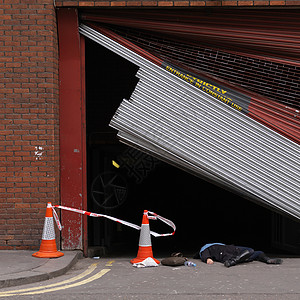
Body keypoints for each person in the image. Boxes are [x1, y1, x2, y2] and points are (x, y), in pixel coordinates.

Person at [193, 243, 282, 267]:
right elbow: (205, 254)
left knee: (258, 252)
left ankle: (268, 260)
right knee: (250, 250)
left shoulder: (213, 245)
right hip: (228, 252)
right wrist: (207, 259)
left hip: (232, 250)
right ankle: (232, 262)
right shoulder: (204, 248)